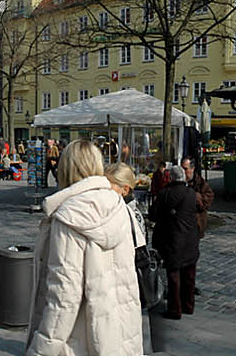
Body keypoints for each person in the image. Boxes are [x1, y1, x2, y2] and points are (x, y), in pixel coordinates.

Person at [25, 140, 143, 355]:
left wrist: (40, 351)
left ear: (66, 169)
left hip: (79, 340)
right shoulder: (119, 206)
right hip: (119, 332)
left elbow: (63, 297)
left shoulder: (70, 216)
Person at [147, 165, 202, 320]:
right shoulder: (191, 194)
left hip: (173, 239)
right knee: (189, 275)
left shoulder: (164, 194)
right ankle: (188, 306)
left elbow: (153, 215)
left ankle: (175, 309)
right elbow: (199, 208)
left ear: (170, 178)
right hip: (191, 238)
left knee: (174, 276)